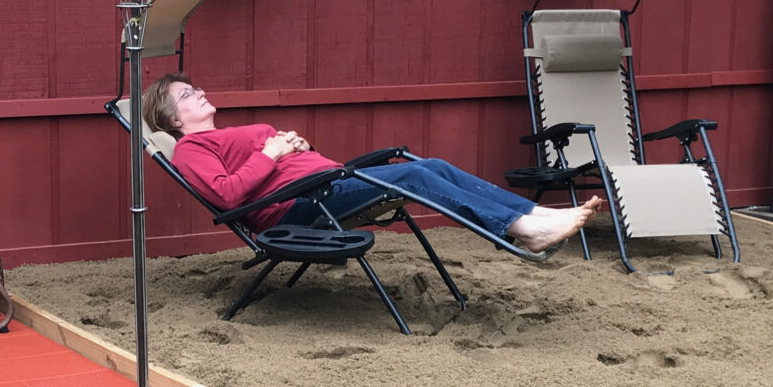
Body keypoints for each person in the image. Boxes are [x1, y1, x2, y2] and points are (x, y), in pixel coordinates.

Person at [140, 73, 599, 254]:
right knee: (416, 174)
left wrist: (294, 146)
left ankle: (532, 215)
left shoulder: (221, 135)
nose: (198, 92)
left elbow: (267, 164)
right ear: (174, 119)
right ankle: (522, 227)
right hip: (300, 207)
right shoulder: (191, 151)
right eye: (187, 95)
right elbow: (225, 195)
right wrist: (272, 152)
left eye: (194, 87)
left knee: (432, 165)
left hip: (323, 183)